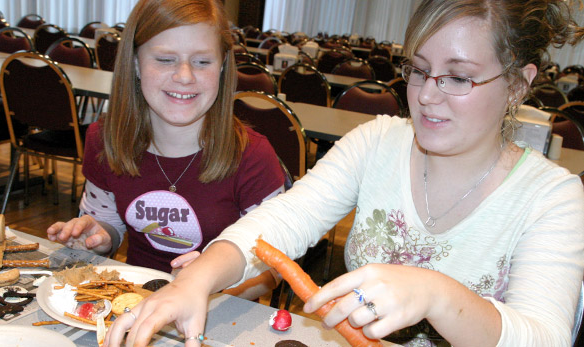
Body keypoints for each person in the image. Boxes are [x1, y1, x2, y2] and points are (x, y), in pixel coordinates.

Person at [105, 1, 584, 346]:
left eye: (458, 77)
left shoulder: (553, 197)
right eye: (418, 70)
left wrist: (436, 294)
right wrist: (197, 280)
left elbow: (543, 336)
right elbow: (283, 220)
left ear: (519, 84)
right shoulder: (377, 142)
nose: (426, 96)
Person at [47, 0, 285, 299]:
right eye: (164, 59)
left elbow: (270, 272)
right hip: (132, 300)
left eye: (202, 61)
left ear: (222, 66)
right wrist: (98, 236)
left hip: (218, 312)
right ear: (135, 63)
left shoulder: (254, 156)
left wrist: (208, 285)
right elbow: (109, 223)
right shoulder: (105, 138)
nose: (185, 76)